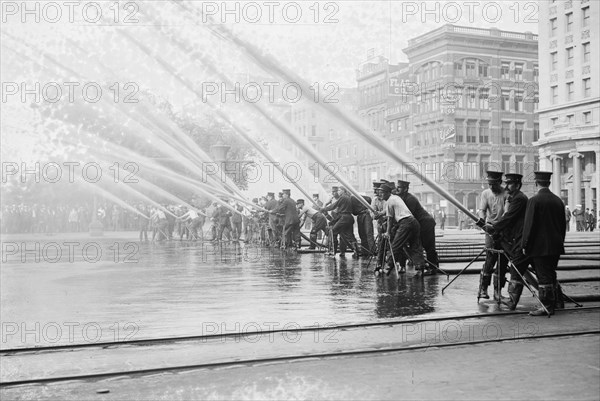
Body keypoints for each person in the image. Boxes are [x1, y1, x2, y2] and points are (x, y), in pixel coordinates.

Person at [482, 173, 530, 310]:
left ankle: (510, 299)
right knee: (492, 260)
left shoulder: (518, 198)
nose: (507, 186)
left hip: (512, 237)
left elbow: (508, 217)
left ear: (517, 185)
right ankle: (485, 290)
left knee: (512, 265)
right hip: (504, 235)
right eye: (506, 183)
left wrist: (494, 228)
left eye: (510, 184)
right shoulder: (511, 196)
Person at [522, 171, 567, 316]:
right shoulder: (558, 200)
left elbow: (528, 226)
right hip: (556, 245)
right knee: (551, 273)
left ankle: (546, 306)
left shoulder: (534, 200)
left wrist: (524, 245)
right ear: (548, 183)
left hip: (539, 247)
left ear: (536, 183)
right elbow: (562, 226)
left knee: (543, 276)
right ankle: (557, 302)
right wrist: (560, 242)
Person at [379, 183, 426, 275]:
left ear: (388, 193)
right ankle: (420, 268)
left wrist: (388, 232)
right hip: (414, 222)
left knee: (396, 245)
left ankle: (388, 267)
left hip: (405, 223)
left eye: (382, 193)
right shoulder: (396, 198)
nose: (380, 195)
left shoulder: (389, 201)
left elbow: (390, 219)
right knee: (415, 246)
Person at [477, 171, 509, 300]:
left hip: (503, 231)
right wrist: (483, 223)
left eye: (493, 184)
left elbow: (507, 214)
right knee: (489, 260)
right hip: (490, 231)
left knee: (502, 261)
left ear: (499, 182)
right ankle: (483, 289)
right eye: (489, 184)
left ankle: (497, 292)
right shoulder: (485, 193)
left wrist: (498, 227)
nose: (491, 187)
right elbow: (482, 210)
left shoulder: (506, 194)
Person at [397, 180, 439, 275]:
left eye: (399, 187)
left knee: (428, 246)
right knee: (418, 245)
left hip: (426, 224)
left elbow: (408, 215)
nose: (397, 189)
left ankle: (433, 268)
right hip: (419, 224)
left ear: (405, 189)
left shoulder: (410, 199)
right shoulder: (403, 198)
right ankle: (427, 266)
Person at [321, 186, 359, 258]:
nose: (338, 191)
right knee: (350, 235)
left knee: (333, 231)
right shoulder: (348, 197)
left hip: (344, 218)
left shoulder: (343, 197)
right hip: (349, 218)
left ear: (343, 191)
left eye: (339, 190)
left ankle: (333, 251)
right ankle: (356, 251)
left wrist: (324, 209)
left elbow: (334, 206)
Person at [350, 192, 376, 257]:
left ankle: (373, 252)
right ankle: (366, 252)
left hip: (365, 215)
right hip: (361, 215)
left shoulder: (352, 198)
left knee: (368, 234)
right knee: (362, 234)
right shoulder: (352, 198)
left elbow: (354, 212)